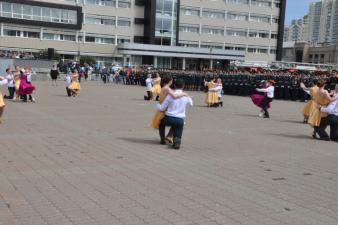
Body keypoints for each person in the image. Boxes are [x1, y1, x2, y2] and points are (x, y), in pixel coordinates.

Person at [150, 75, 188, 144]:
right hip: (165, 110)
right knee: (173, 123)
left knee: (162, 124)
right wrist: (184, 94)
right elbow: (175, 96)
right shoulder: (167, 88)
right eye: (172, 80)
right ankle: (165, 138)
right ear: (170, 81)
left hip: (162, 108)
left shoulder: (163, 87)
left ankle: (165, 138)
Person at [157, 79, 193, 150]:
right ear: (183, 86)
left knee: (161, 123)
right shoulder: (186, 96)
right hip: (180, 119)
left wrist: (158, 104)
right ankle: (177, 142)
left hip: (168, 118)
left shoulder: (170, 96)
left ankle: (162, 139)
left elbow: (162, 108)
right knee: (178, 127)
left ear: (175, 85)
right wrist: (188, 98)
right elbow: (191, 104)